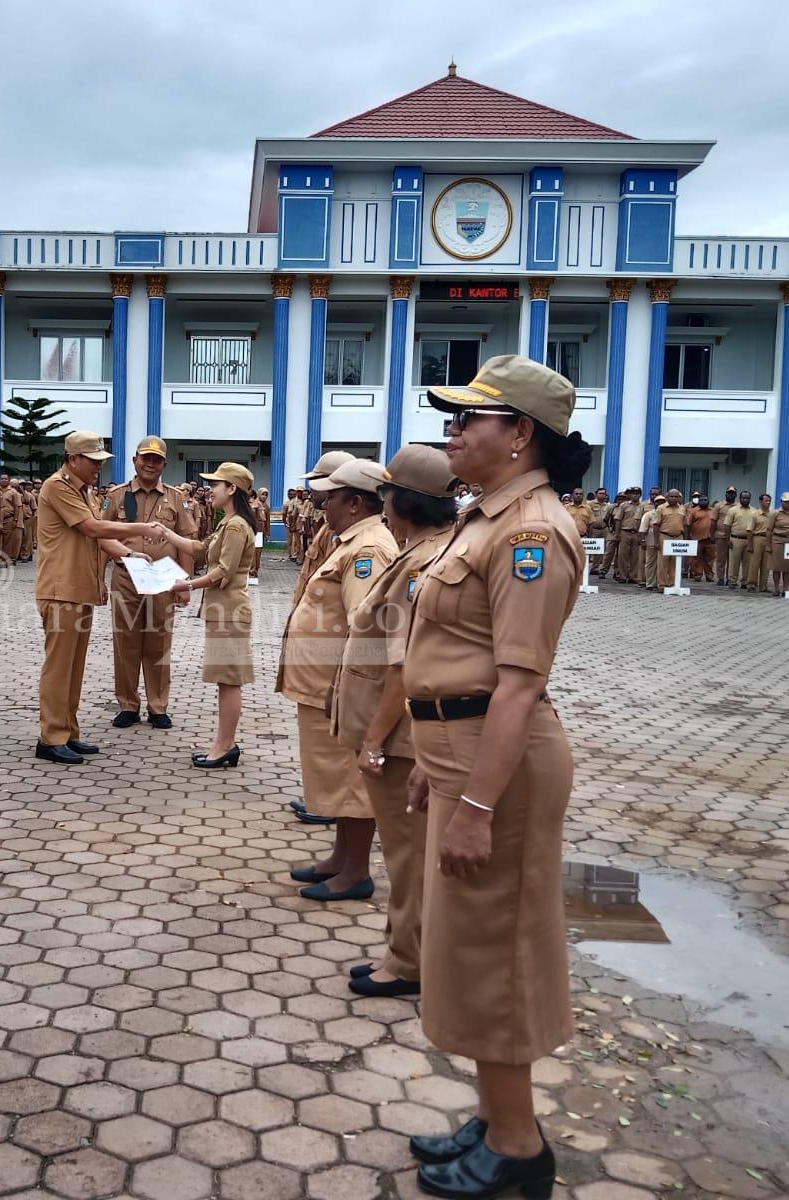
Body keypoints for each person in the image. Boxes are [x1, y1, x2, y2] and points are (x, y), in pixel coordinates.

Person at [405, 354, 590, 1199]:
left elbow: (518, 682)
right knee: (464, 950)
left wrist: (476, 801)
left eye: (468, 418)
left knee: (496, 952)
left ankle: (519, 1150)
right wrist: (437, 773)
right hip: (465, 759)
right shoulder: (487, 519)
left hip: (502, 773)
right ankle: (495, 1116)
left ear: (518, 434)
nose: (453, 428)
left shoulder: (528, 532)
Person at [331, 445, 457, 1000]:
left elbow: (401, 668)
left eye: (386, 493)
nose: (382, 502)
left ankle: (408, 964)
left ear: (403, 501)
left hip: (399, 738)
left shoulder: (417, 566)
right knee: (408, 856)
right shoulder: (419, 552)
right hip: (400, 733)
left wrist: (375, 742)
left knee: (408, 859)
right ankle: (401, 952)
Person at [278, 458, 398, 899]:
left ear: (354, 503)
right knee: (338, 780)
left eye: (330, 499)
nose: (322, 505)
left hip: (337, 686)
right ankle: (340, 859)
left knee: (351, 781)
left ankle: (356, 873)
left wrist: (341, 688)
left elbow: (362, 627)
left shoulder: (368, 550)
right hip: (323, 684)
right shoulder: (351, 539)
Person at [34, 431, 165, 765]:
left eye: (100, 462)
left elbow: (99, 538)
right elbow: (93, 528)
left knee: (74, 668)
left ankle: (68, 732)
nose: (98, 468)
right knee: (59, 668)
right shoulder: (58, 486)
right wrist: (140, 529)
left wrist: (129, 555)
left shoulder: (84, 491)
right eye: (93, 462)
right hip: (60, 589)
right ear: (73, 459)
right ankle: (51, 737)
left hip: (80, 589)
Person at [156, 462, 261, 766]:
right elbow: (202, 550)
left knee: (229, 680)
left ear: (232, 489)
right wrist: (167, 533)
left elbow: (223, 571)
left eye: (216, 484)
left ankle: (225, 746)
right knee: (224, 680)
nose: (210, 490)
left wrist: (185, 583)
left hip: (230, 611)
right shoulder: (226, 522)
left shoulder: (236, 525)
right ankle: (224, 743)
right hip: (221, 611)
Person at [102, 437, 198, 730]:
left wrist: (184, 582)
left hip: (162, 579)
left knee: (159, 642)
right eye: (145, 458)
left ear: (164, 465)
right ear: (135, 460)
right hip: (125, 576)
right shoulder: (117, 496)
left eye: (156, 460)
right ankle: (128, 705)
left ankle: (158, 707)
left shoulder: (176, 498)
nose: (150, 464)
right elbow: (100, 535)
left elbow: (187, 541)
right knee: (126, 642)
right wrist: (97, 580)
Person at [283, 450, 356, 826]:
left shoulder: (351, 537)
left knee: (333, 740)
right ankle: (323, 797)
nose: (312, 490)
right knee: (321, 739)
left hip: (333, 652)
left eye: (321, 484)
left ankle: (331, 804)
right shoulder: (331, 528)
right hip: (318, 651)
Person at [724, 489, 756, 588]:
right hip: (735, 539)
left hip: (748, 540)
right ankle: (732, 581)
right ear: (740, 498)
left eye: (747, 498)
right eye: (743, 498)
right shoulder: (733, 510)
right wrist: (728, 539)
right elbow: (727, 525)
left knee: (748, 563)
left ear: (750, 499)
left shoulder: (754, 511)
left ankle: (745, 581)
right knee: (734, 562)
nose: (745, 499)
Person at [745, 493, 773, 593]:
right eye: (766, 501)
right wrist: (750, 544)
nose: (768, 503)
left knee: (766, 565)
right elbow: (749, 530)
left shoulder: (772, 514)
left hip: (768, 539)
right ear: (761, 502)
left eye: (769, 501)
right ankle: (751, 584)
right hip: (757, 538)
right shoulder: (755, 514)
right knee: (754, 563)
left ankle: (763, 586)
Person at [711, 487, 737, 585]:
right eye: (729, 493)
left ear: (736, 495)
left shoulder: (738, 506)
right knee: (721, 558)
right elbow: (713, 521)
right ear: (725, 494)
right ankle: (720, 578)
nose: (731, 495)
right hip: (720, 535)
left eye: (733, 493)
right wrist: (712, 534)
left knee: (732, 559)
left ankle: (730, 579)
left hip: (733, 536)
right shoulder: (719, 506)